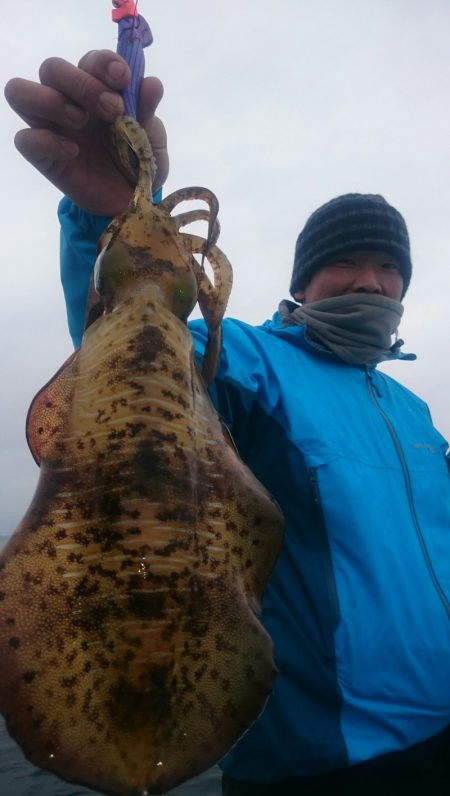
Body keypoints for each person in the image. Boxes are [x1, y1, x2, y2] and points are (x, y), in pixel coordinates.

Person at [5, 50, 450, 796]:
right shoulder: (252, 361)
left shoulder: (415, 413)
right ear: (303, 282)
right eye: (348, 265)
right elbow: (136, 333)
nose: (371, 281)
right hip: (317, 764)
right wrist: (110, 214)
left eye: (388, 268)